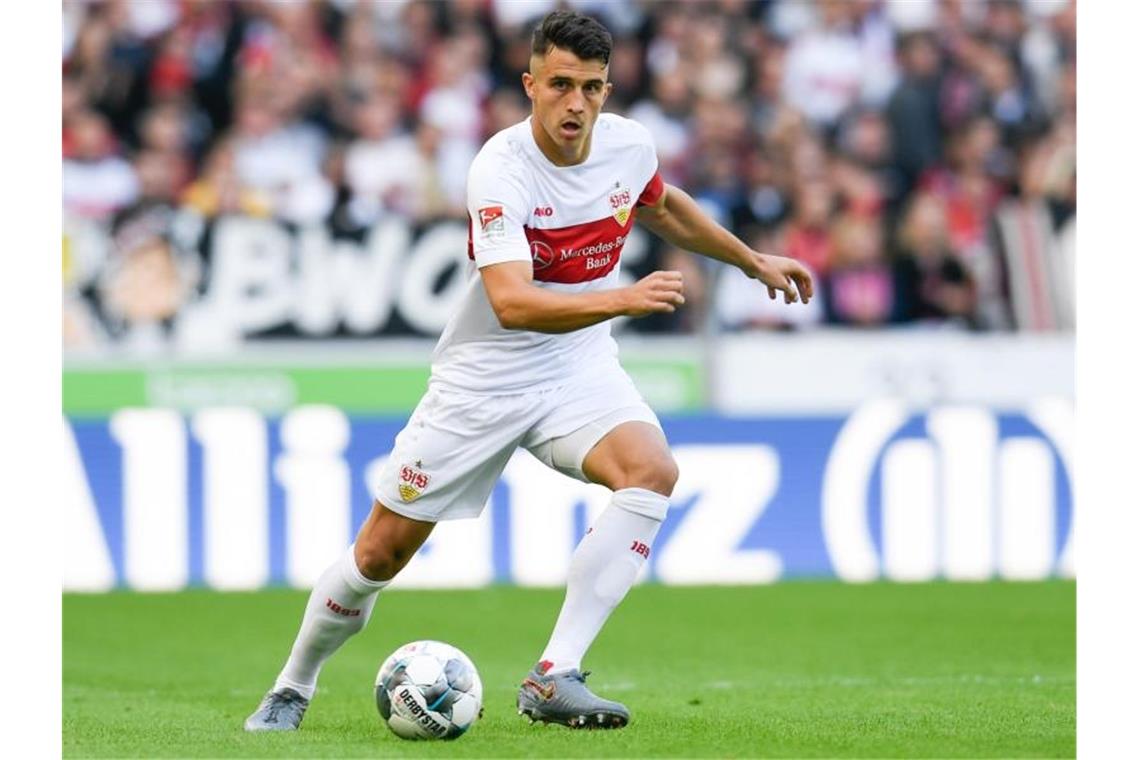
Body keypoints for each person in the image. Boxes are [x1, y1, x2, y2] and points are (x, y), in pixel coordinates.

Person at [244, 10, 812, 733]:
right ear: (531, 85)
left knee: (651, 472)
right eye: (561, 86)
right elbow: (511, 303)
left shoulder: (630, 146)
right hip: (483, 378)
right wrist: (623, 298)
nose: (576, 104)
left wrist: (751, 260)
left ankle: (555, 675)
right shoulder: (500, 169)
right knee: (379, 554)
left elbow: (663, 207)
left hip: (577, 364)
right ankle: (293, 685)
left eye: (593, 89)